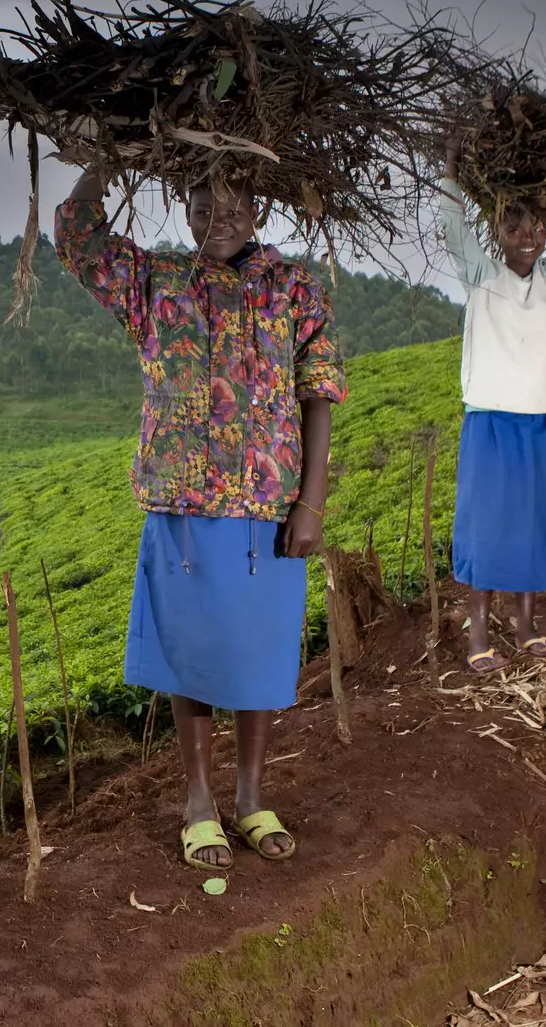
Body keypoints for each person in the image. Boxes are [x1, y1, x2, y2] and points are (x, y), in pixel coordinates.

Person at [52, 159, 345, 871]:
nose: (220, 218)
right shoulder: (157, 285)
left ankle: (250, 797)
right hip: (184, 504)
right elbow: (78, 238)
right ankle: (198, 801)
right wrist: (107, 162)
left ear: (260, 208)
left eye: (235, 201)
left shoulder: (295, 288)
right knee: (193, 657)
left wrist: (310, 501)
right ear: (183, 211)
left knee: (255, 655)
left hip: (267, 506)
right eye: (203, 205)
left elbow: (319, 391)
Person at [436, 140, 546, 674]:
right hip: (491, 422)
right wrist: (453, 171)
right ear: (497, 236)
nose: (526, 239)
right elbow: (453, 227)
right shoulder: (482, 278)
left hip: (541, 421)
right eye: (514, 230)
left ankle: (526, 627)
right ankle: (479, 633)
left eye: (535, 229)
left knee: (533, 521)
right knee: (488, 525)